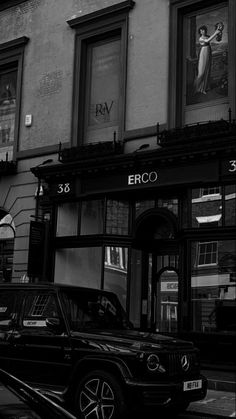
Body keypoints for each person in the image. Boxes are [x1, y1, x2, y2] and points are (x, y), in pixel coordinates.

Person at [194, 24, 222, 95]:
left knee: (207, 70)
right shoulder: (200, 38)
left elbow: (218, 40)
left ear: (205, 31)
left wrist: (219, 33)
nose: (202, 31)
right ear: (199, 32)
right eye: (201, 31)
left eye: (203, 30)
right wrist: (215, 32)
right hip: (203, 54)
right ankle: (197, 88)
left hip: (208, 53)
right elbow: (207, 40)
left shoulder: (208, 36)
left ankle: (204, 88)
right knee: (201, 73)